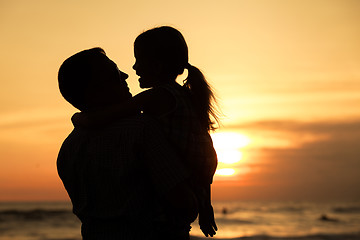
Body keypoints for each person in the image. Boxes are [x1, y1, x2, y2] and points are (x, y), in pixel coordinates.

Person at [73, 26, 219, 237]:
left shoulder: (157, 97)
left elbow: (106, 116)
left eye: (138, 60)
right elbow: (203, 159)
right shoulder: (186, 97)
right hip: (197, 179)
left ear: (157, 66)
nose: (133, 67)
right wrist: (206, 205)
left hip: (176, 190)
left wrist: (79, 118)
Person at [57, 47, 198, 240]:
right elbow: (183, 203)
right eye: (114, 73)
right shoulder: (141, 130)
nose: (124, 75)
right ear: (96, 90)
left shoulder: (68, 149)